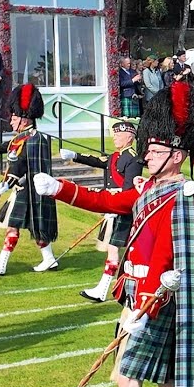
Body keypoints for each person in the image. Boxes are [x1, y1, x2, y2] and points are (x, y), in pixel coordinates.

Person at [33, 81, 194, 387]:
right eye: (148, 149)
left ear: (177, 153)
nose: (147, 155)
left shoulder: (185, 196)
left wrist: (146, 307)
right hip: (136, 299)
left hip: (157, 303)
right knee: (168, 376)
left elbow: (179, 263)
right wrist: (60, 188)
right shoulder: (149, 188)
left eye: (155, 150)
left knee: (129, 376)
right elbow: (108, 200)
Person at [0, 84, 59, 276]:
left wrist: (8, 182)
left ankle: (1, 264)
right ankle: (49, 259)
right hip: (22, 189)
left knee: (12, 226)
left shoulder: (34, 139)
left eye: (14, 118)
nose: (11, 121)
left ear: (24, 119)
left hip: (28, 190)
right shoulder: (20, 138)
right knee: (31, 225)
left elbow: (23, 163)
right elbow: (2, 148)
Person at [62, 120, 145, 302]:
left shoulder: (133, 158)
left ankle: (105, 289)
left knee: (116, 251)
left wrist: (115, 206)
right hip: (112, 207)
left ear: (129, 136)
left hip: (122, 210)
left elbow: (129, 188)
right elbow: (96, 161)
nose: (114, 136)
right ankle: (115, 288)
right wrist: (74, 155)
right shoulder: (115, 156)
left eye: (118, 134)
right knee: (117, 251)